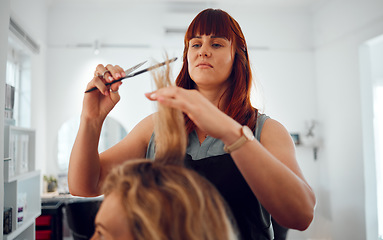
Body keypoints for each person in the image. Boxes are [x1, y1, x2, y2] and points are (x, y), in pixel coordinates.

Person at [69, 8, 316, 240]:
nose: (203, 51)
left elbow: (301, 216)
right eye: (195, 44)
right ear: (187, 56)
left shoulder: (266, 131)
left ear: (237, 57)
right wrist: (91, 119)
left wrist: (231, 133)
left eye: (216, 44)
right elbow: (84, 185)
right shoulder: (156, 128)